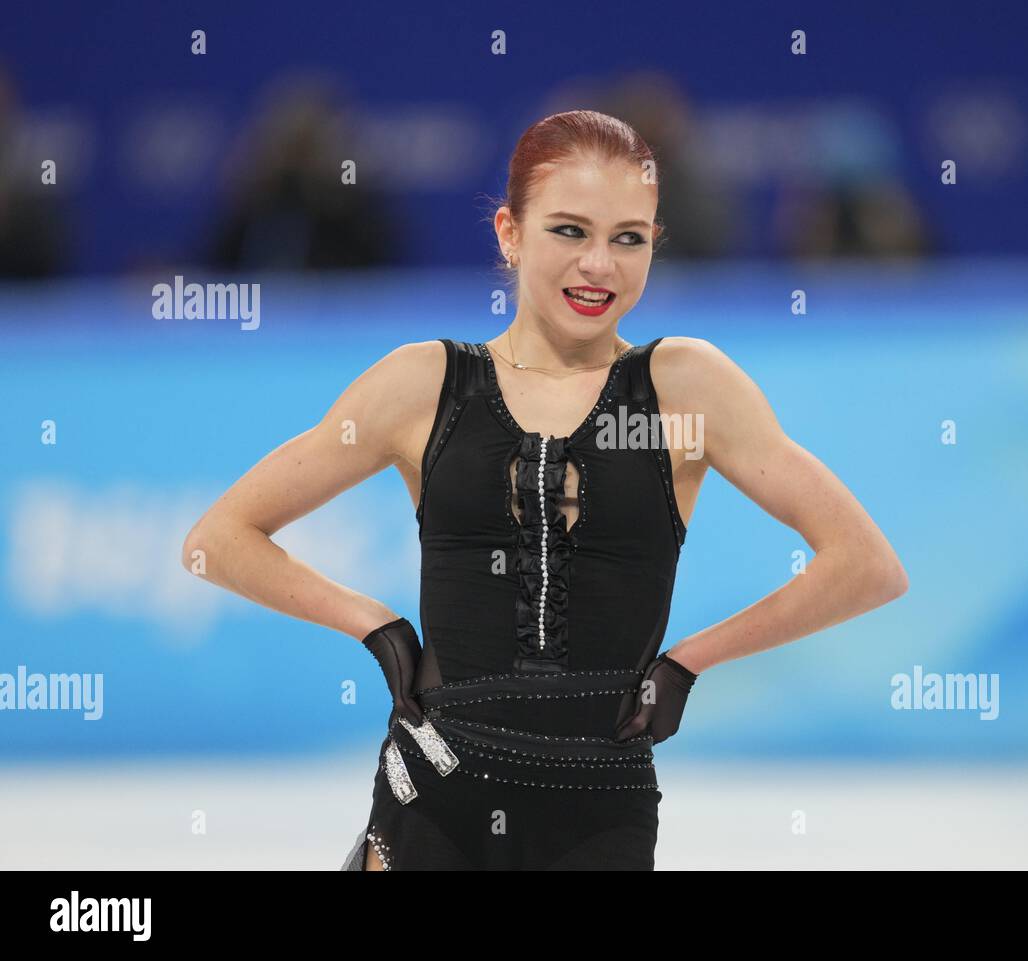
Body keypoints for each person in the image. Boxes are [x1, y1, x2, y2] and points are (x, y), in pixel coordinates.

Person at [181, 109, 908, 871]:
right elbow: (218, 540)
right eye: (570, 231)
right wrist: (376, 627)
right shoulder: (424, 386)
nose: (600, 264)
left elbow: (865, 565)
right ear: (510, 233)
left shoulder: (686, 391)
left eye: (629, 238)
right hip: (435, 799)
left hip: (601, 817)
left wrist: (691, 661)